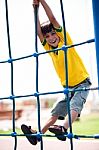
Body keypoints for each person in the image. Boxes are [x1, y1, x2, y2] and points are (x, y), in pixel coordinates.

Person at [21, 0, 91, 145]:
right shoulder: (49, 49)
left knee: (75, 106)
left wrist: (42, 1)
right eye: (47, 36)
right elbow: (38, 31)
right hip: (67, 88)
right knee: (55, 113)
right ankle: (37, 134)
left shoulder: (65, 41)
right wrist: (35, 8)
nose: (51, 38)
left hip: (82, 83)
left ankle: (64, 128)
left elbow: (52, 19)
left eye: (53, 33)